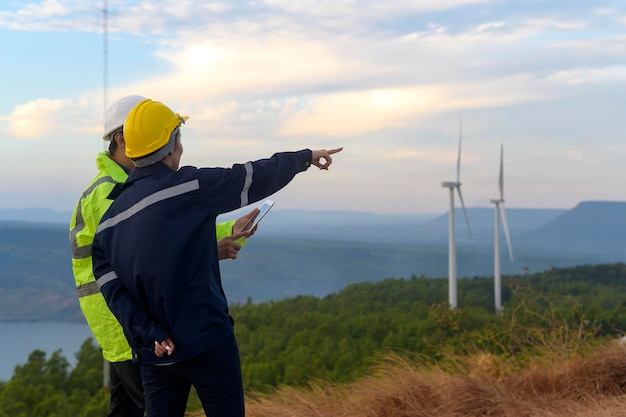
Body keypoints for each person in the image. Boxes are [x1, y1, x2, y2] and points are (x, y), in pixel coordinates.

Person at [91, 97, 342, 417]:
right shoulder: (189, 187)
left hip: (155, 352)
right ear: (172, 145)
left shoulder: (109, 223)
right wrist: (304, 158)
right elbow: (250, 177)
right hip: (208, 341)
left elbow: (119, 289)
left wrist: (151, 332)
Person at [69, 95, 257, 417]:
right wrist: (211, 251)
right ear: (121, 139)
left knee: (126, 411)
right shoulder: (109, 193)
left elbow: (166, 234)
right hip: (131, 324)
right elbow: (143, 254)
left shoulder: (125, 185)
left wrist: (225, 231)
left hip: (129, 323)